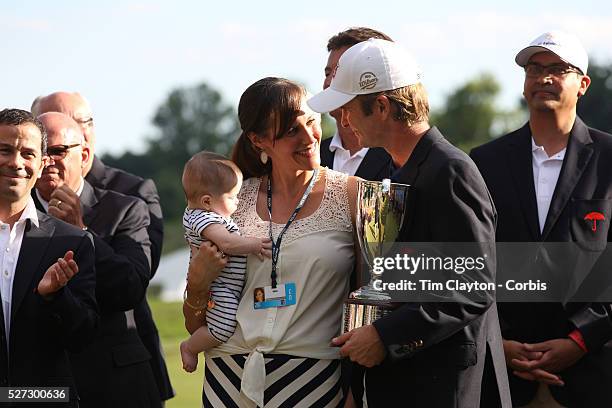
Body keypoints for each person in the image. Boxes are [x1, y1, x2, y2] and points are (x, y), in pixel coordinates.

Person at [308, 38, 511, 407]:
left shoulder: (450, 171)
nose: (344, 119)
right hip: (403, 381)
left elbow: (474, 285)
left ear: (382, 106)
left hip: (442, 385)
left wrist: (385, 335)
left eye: (350, 108)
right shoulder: (399, 167)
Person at [183, 77, 359, 407]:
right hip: (227, 378)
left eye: (311, 122)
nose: (310, 137)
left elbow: (374, 300)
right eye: (292, 130)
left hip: (313, 380)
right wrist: (196, 282)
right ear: (259, 140)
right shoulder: (232, 203)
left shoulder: (352, 195)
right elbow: (195, 321)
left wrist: (356, 392)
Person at [471, 30, 612, 408]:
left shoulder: (609, 159)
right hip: (502, 375)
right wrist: (496, 341)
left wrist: (580, 340)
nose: (543, 78)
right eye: (534, 69)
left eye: (557, 69)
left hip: (592, 373)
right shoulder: (485, 162)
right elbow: (471, 260)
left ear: (582, 84)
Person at [32, 92, 173, 403]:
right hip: (39, 384)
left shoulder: (126, 208)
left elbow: (131, 287)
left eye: (56, 151)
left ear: (83, 157)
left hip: (114, 381)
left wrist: (80, 230)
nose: (47, 162)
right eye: (38, 152)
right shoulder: (15, 213)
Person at [0, 108, 98, 407]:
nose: (16, 163)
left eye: (27, 154)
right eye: (4, 150)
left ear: (42, 164)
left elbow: (82, 337)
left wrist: (55, 296)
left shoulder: (72, 241)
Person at [179, 151, 271, 372]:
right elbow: (228, 244)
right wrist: (255, 244)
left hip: (226, 285)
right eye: (232, 197)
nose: (238, 202)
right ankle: (190, 348)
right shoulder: (203, 218)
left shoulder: (208, 214)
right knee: (221, 328)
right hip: (219, 287)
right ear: (207, 201)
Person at [321, 27, 393, 180]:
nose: (328, 83)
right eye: (328, 74)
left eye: (340, 74)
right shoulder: (312, 157)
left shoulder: (399, 159)